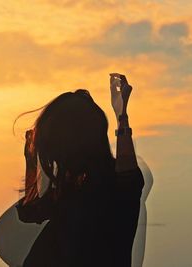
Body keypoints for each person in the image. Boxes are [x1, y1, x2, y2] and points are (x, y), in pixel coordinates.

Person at [12, 73, 144, 267]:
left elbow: (30, 211)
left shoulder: (95, 194)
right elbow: (29, 212)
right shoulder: (77, 192)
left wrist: (122, 116)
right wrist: (121, 116)